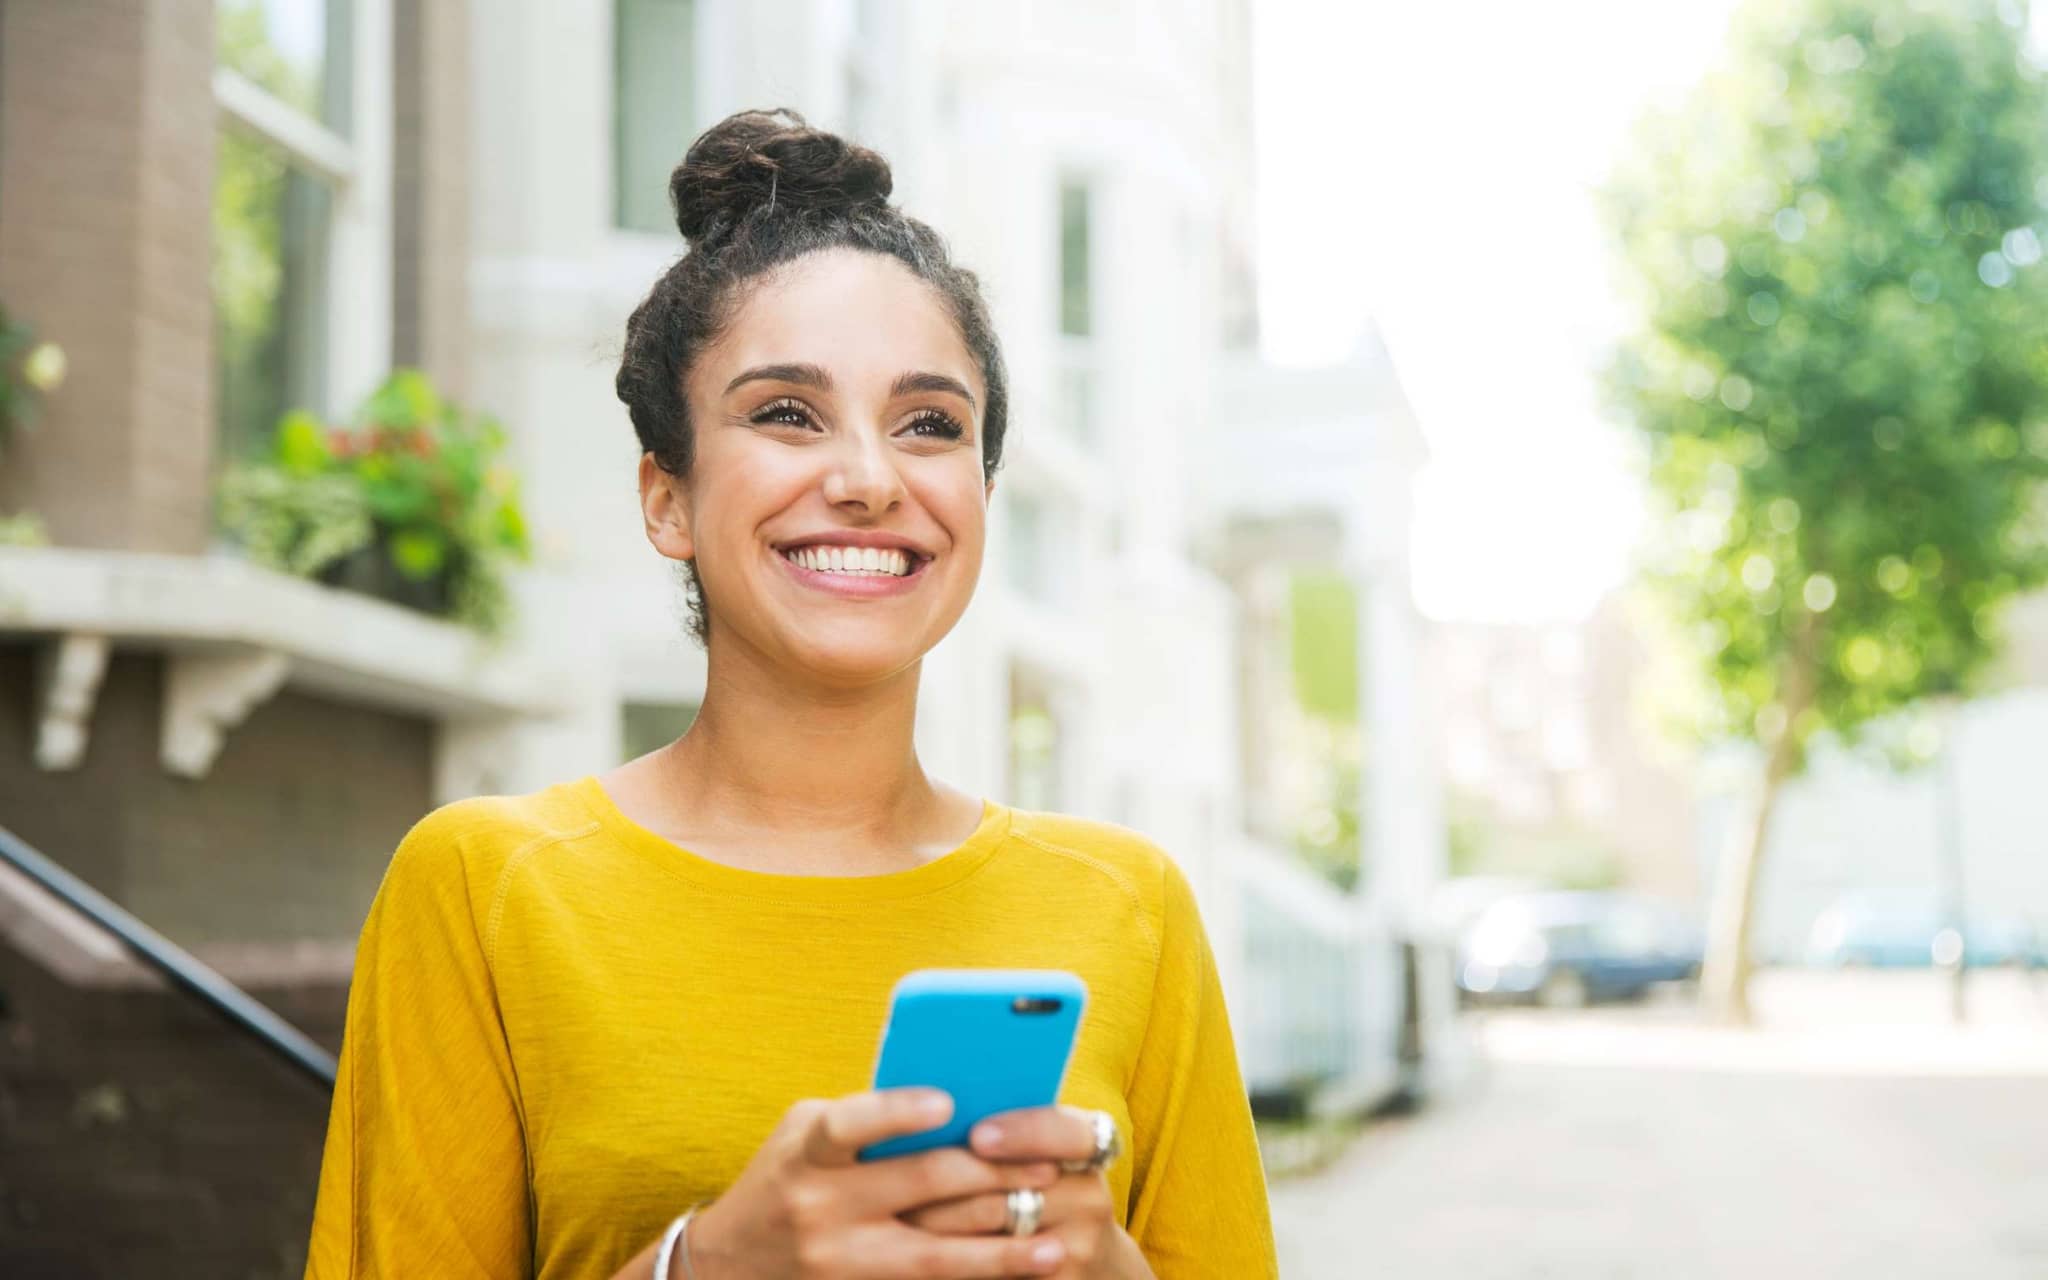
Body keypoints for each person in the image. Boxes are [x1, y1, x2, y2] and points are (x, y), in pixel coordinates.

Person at [301, 107, 1278, 1280]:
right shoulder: (487, 886)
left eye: (929, 424)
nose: (869, 478)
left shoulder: (1129, 907)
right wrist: (698, 1266)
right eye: (784, 413)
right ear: (666, 496)